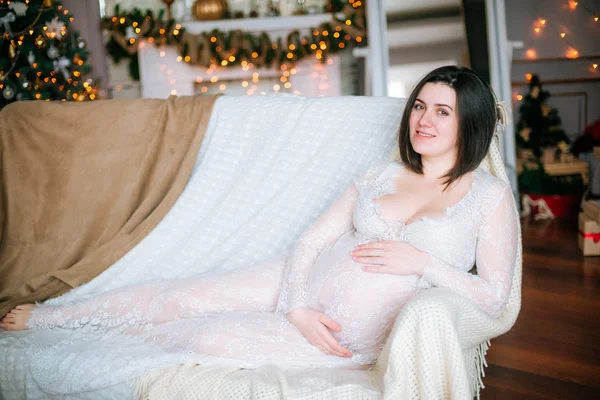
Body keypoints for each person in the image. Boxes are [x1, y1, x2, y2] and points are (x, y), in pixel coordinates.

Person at [0, 65, 519, 395]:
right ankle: (56, 317)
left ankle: (91, 336)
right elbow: (313, 240)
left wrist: (423, 263)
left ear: (468, 123)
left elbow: (496, 297)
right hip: (296, 284)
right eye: (420, 106)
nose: (423, 120)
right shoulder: (380, 175)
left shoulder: (487, 198)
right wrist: (295, 304)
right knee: (179, 294)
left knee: (203, 337)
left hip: (340, 335)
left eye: (442, 111)